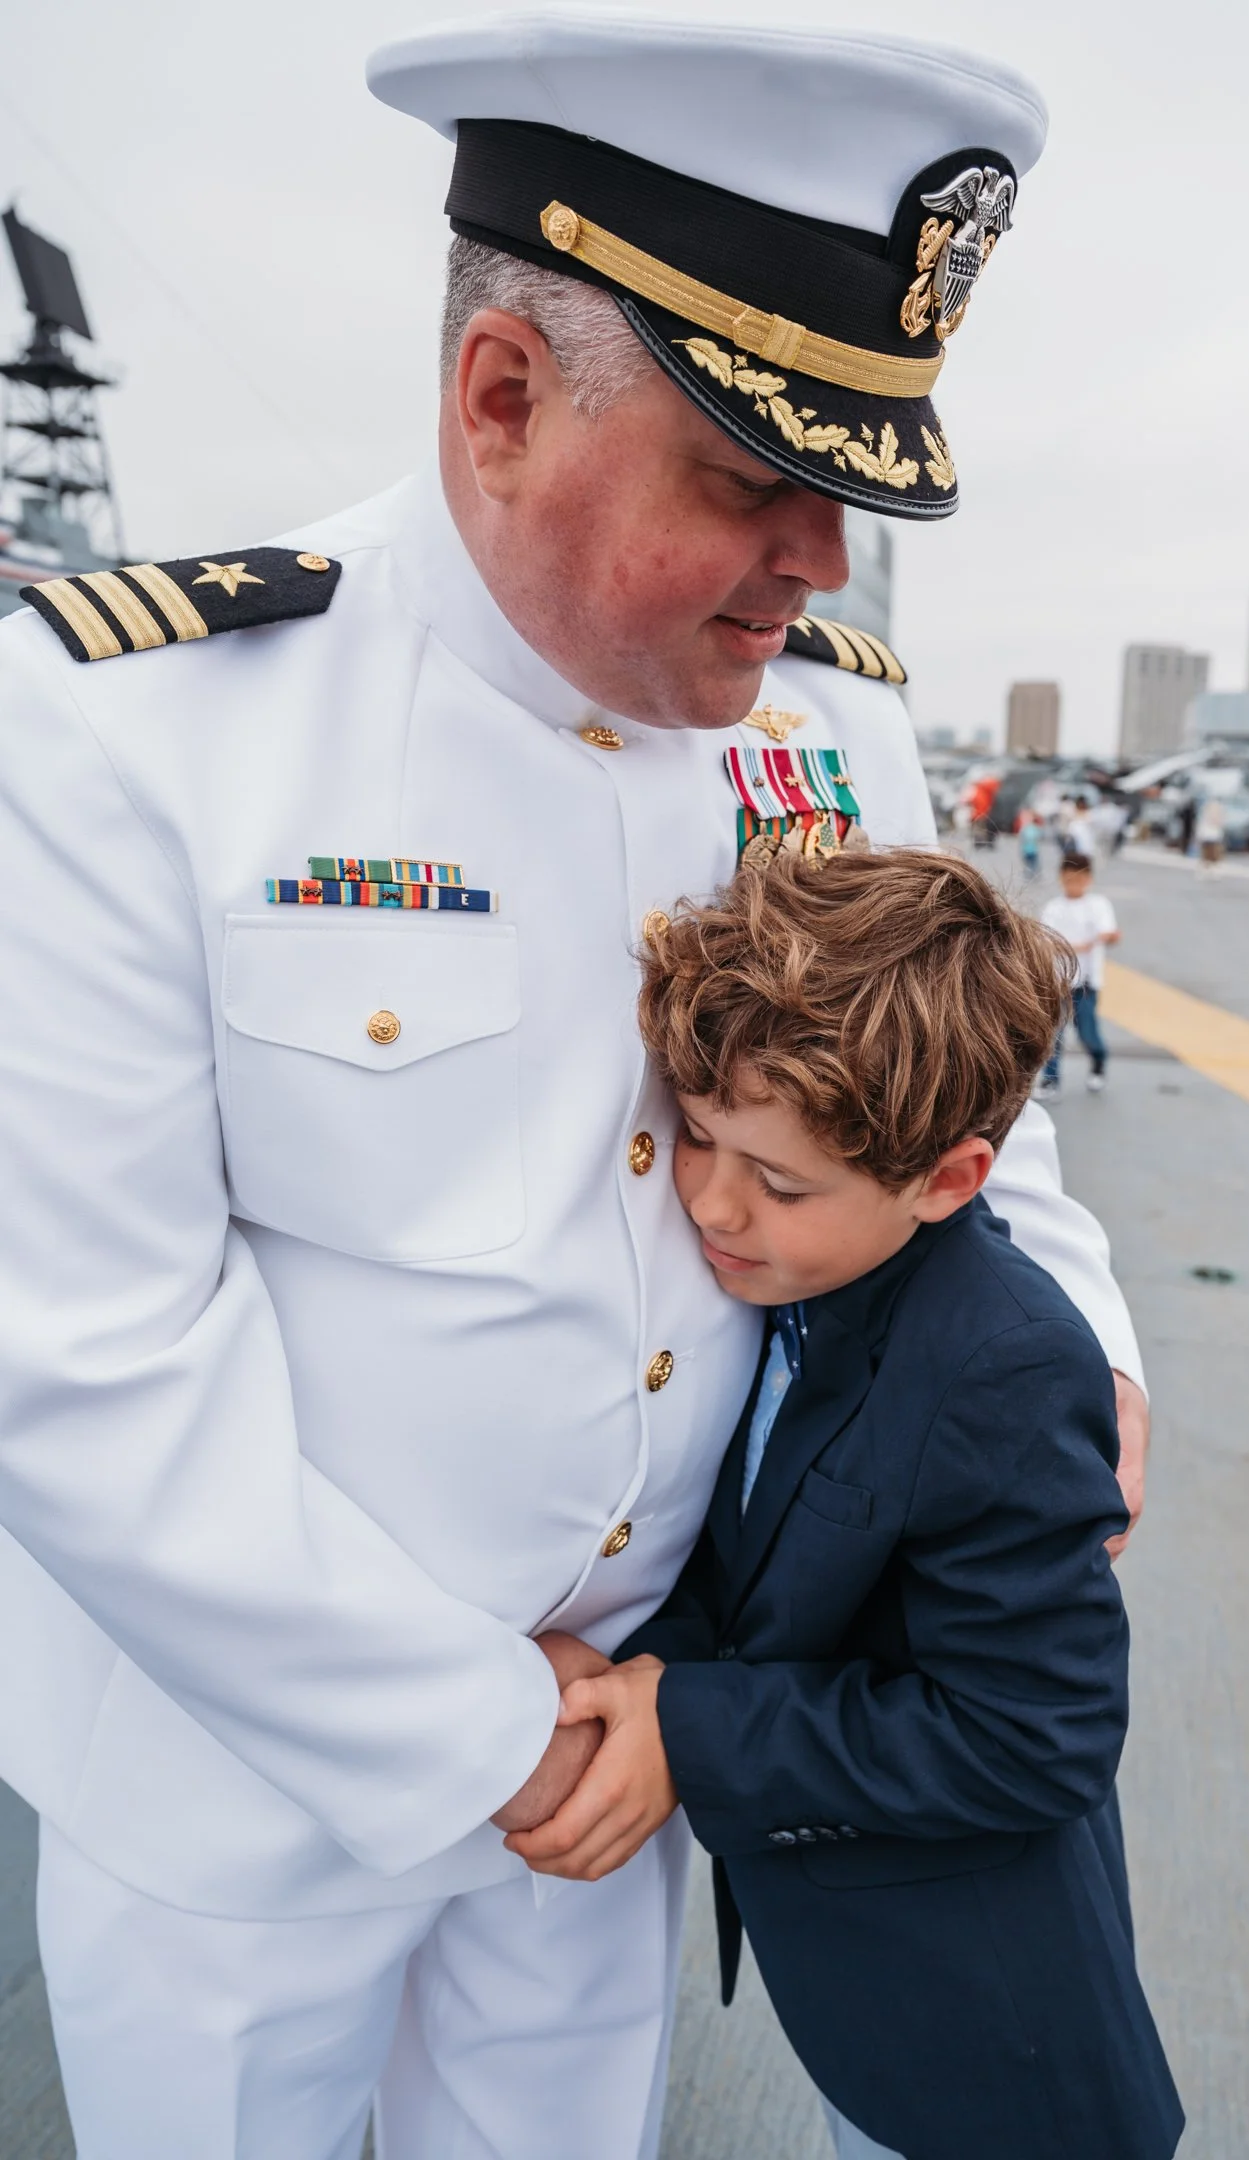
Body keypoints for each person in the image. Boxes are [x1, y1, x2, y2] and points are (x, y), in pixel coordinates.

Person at [0, 16, 1152, 2156]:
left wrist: (1070, 1336)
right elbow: (82, 1358)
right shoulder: (133, 730)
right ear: (503, 396)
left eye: (862, 483)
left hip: (632, 1754)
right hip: (253, 1789)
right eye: (751, 473)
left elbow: (981, 1108)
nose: (820, 559)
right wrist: (482, 1734)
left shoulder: (838, 732)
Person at [519, 850, 1183, 2160]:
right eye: (698, 1137)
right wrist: (632, 1671)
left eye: (779, 1183)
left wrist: (688, 1719)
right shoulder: (809, 1282)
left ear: (948, 1180)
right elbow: (770, 1538)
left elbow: (1031, 1737)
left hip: (992, 2045)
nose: (710, 1201)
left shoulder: (999, 1362)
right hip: (864, 2001)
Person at [1038, 851, 1120, 1097]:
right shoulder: (1053, 908)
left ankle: (1098, 1060)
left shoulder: (1098, 905)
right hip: (1058, 983)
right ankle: (1050, 1079)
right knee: (1054, 1034)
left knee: (1087, 1032)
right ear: (1061, 878)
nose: (1074, 884)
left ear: (1088, 879)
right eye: (1069, 879)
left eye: (1079, 879)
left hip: (1086, 983)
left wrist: (1106, 937)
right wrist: (1077, 946)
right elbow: (1044, 941)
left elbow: (1111, 933)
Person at [1196, 790, 1227, 870]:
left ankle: (1212, 870)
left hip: (1214, 837)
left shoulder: (1219, 811)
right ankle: (1206, 870)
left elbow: (1221, 823)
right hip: (1207, 836)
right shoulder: (1205, 813)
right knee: (1206, 856)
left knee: (1214, 856)